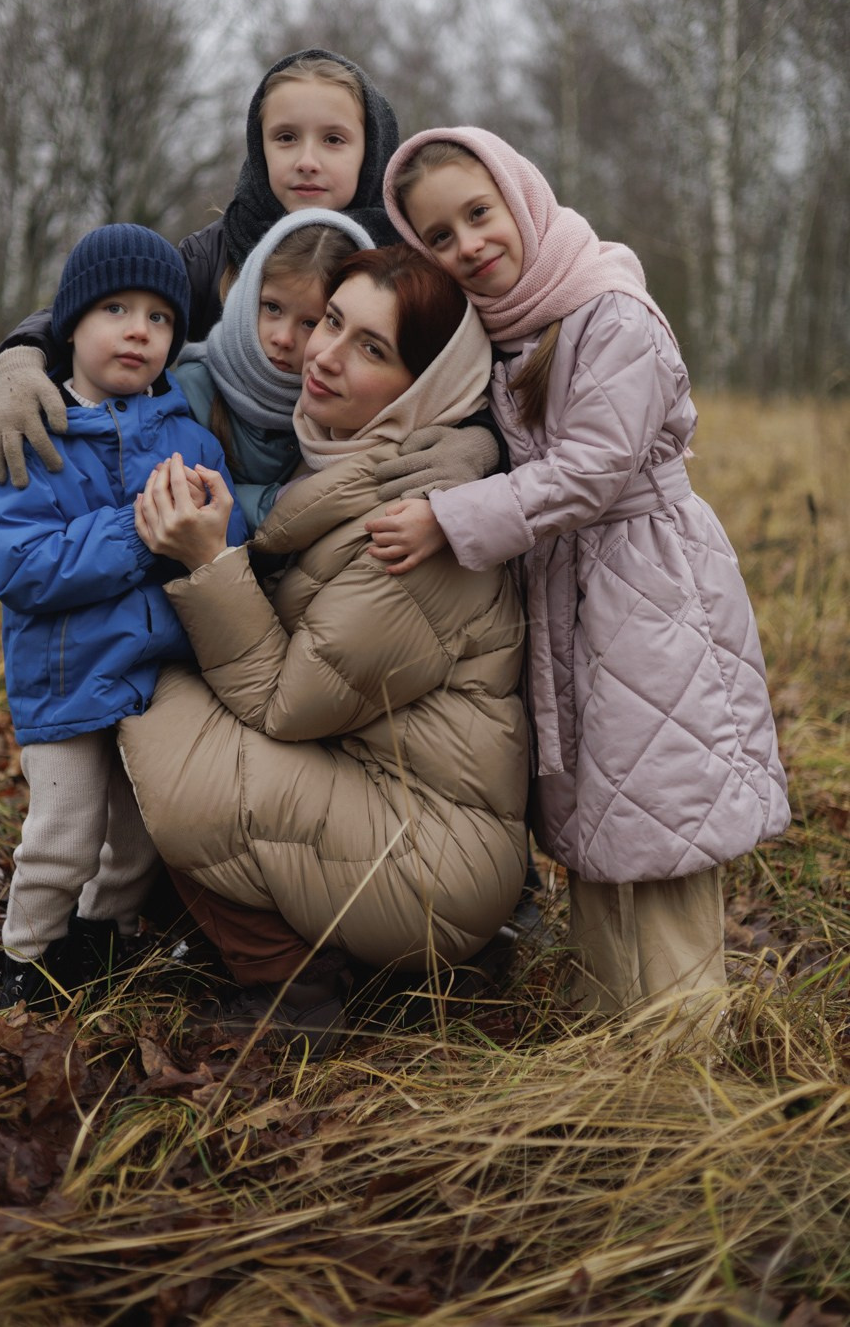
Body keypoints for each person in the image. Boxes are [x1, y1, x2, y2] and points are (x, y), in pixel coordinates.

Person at [371, 127, 791, 1036]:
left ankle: (683, 1064)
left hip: (648, 580)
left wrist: (451, 519)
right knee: (605, 816)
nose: (469, 246)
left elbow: (596, 465)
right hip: (569, 583)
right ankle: (614, 1035)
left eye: (479, 215)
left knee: (663, 811)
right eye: (439, 238)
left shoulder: (608, 309)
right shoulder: (504, 328)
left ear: (520, 198)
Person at [119, 244, 531, 1054]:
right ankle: (338, 962)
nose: (325, 355)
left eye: (371, 349)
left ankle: (291, 996)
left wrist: (209, 563)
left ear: (426, 388)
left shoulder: (416, 526)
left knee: (148, 712)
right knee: (148, 687)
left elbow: (285, 705)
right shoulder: (355, 464)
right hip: (391, 808)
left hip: (433, 860)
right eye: (331, 322)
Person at [0, 224, 247, 1009]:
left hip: (156, 680)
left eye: (161, 318)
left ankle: (102, 946)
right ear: (71, 325)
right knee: (62, 836)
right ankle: (24, 963)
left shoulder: (190, 438)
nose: (140, 329)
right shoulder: (35, 431)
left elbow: (224, 546)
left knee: (135, 844)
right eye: (116, 310)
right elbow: (21, 567)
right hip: (65, 682)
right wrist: (137, 529)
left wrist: (212, 531)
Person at [0, 49, 401, 490]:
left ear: (371, 151)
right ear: (259, 148)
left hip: (353, 492)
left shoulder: (402, 262)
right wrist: (22, 358)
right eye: (286, 137)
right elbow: (103, 302)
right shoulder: (215, 252)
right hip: (208, 496)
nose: (307, 160)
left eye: (334, 140)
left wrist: (471, 443)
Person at [174, 207, 373, 531]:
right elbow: (185, 500)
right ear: (249, 292)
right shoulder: (193, 385)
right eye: (272, 307)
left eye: (311, 322)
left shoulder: (342, 406)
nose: (282, 338)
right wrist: (277, 502)